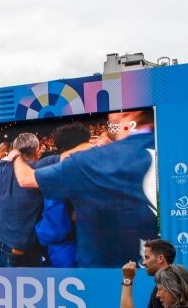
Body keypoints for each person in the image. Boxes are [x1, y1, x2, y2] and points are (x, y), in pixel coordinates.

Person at [14, 111, 156, 268]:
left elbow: (26, 179)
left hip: (98, 276)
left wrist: (15, 156)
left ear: (128, 112)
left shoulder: (86, 163)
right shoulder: (176, 145)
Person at [34, 123, 91, 268]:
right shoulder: (102, 169)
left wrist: (38, 229)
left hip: (68, 256)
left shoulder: (60, 176)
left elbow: (53, 229)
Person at [0, 133, 45, 267]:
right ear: (36, 151)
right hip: (23, 249)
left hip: (1, 241)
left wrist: (7, 154)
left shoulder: (2, 167)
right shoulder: (38, 173)